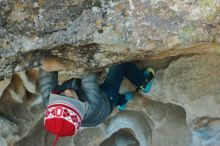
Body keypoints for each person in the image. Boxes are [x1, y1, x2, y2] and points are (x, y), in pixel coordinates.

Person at [40, 62, 155, 146]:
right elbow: (89, 74)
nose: (67, 91)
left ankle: (122, 101)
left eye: (60, 96)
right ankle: (143, 82)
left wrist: (47, 61)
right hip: (105, 100)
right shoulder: (92, 104)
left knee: (113, 101)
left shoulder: (49, 102)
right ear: (80, 106)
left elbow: (46, 74)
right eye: (71, 98)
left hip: (97, 112)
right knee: (119, 66)